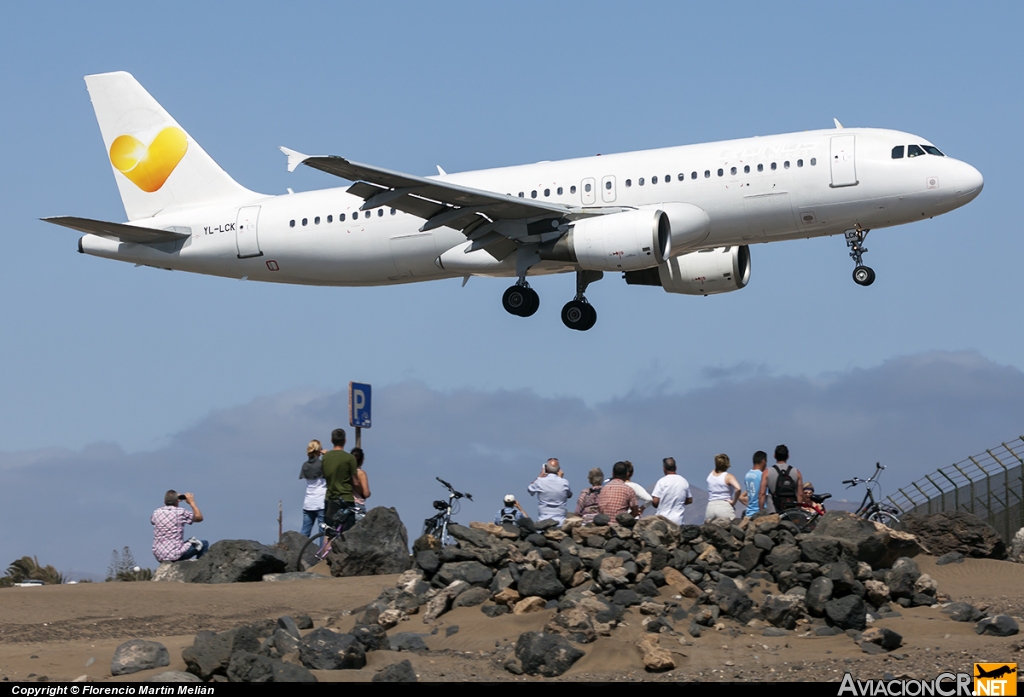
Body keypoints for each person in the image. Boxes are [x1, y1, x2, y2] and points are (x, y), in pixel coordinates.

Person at [151, 490, 207, 562]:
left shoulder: (156, 512)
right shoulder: (181, 512)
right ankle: (199, 569)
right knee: (204, 543)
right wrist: (192, 503)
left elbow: (152, 521)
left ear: (164, 501)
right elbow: (199, 518)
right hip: (174, 554)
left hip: (159, 555)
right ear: (177, 501)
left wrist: (170, 500)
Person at [321, 428, 360, 529]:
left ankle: (326, 545)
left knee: (329, 531)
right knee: (347, 534)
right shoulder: (350, 458)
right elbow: (355, 482)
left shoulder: (325, 458)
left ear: (331, 440)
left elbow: (325, 475)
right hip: (346, 499)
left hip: (330, 498)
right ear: (345, 440)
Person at [758, 444, 805, 514]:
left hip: (773, 510)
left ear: (774, 456)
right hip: (791, 511)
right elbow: (800, 494)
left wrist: (761, 510)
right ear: (788, 456)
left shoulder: (767, 472)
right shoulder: (796, 472)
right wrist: (798, 509)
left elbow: (762, 493)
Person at [527, 458, 573, 524]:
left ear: (546, 468)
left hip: (543, 519)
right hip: (561, 520)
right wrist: (560, 479)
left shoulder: (540, 482)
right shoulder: (564, 482)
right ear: (558, 469)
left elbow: (530, 489)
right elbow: (569, 495)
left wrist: (540, 476)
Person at [650, 457, 693, 525]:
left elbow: (655, 502)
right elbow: (689, 500)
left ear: (664, 469)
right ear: (676, 467)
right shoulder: (683, 481)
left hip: (663, 520)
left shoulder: (662, 481)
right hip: (678, 521)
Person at [704, 453, 744, 522]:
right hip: (724, 506)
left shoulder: (710, 475)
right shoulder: (728, 477)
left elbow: (716, 470)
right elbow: (738, 488)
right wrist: (734, 502)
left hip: (710, 506)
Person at [299, 439, 327, 537]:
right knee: (322, 533)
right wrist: (326, 456)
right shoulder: (322, 464)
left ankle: (299, 551)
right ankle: (321, 552)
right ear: (319, 450)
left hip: (308, 502)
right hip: (321, 502)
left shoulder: (305, 465)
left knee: (305, 531)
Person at [743, 451, 768, 519]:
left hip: (749, 512)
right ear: (763, 461)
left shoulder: (747, 475)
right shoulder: (762, 476)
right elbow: (763, 494)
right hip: (758, 511)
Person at [351, 446, 371, 521]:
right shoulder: (361, 473)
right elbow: (366, 493)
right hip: (358, 505)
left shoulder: (346, 471)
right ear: (362, 460)